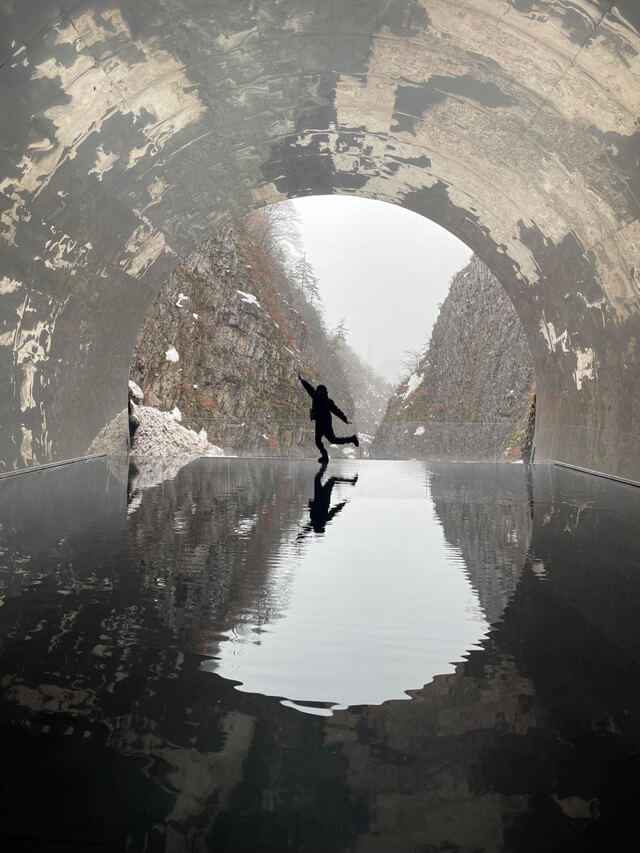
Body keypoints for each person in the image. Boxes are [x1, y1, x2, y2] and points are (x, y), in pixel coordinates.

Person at [298, 374, 359, 463]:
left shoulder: (325, 400)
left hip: (325, 424)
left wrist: (345, 419)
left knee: (328, 440)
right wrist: (302, 380)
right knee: (321, 441)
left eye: (319, 392)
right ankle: (325, 456)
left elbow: (336, 411)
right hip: (320, 423)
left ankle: (351, 439)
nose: (319, 393)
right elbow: (309, 388)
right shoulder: (318, 398)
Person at [298, 467, 359, 538]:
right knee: (319, 478)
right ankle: (324, 466)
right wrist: (299, 538)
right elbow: (334, 510)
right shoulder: (315, 521)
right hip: (320, 496)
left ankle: (351, 481)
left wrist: (343, 503)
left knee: (331, 479)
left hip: (322, 497)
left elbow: (335, 510)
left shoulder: (323, 520)